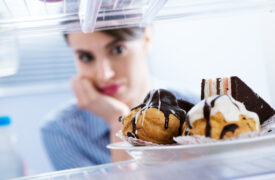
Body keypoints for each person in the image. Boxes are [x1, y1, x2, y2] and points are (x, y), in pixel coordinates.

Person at [41, 26, 198, 171]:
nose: (105, 74)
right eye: (86, 57)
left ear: (147, 38)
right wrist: (119, 122)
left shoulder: (200, 106)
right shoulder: (62, 130)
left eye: (118, 50)